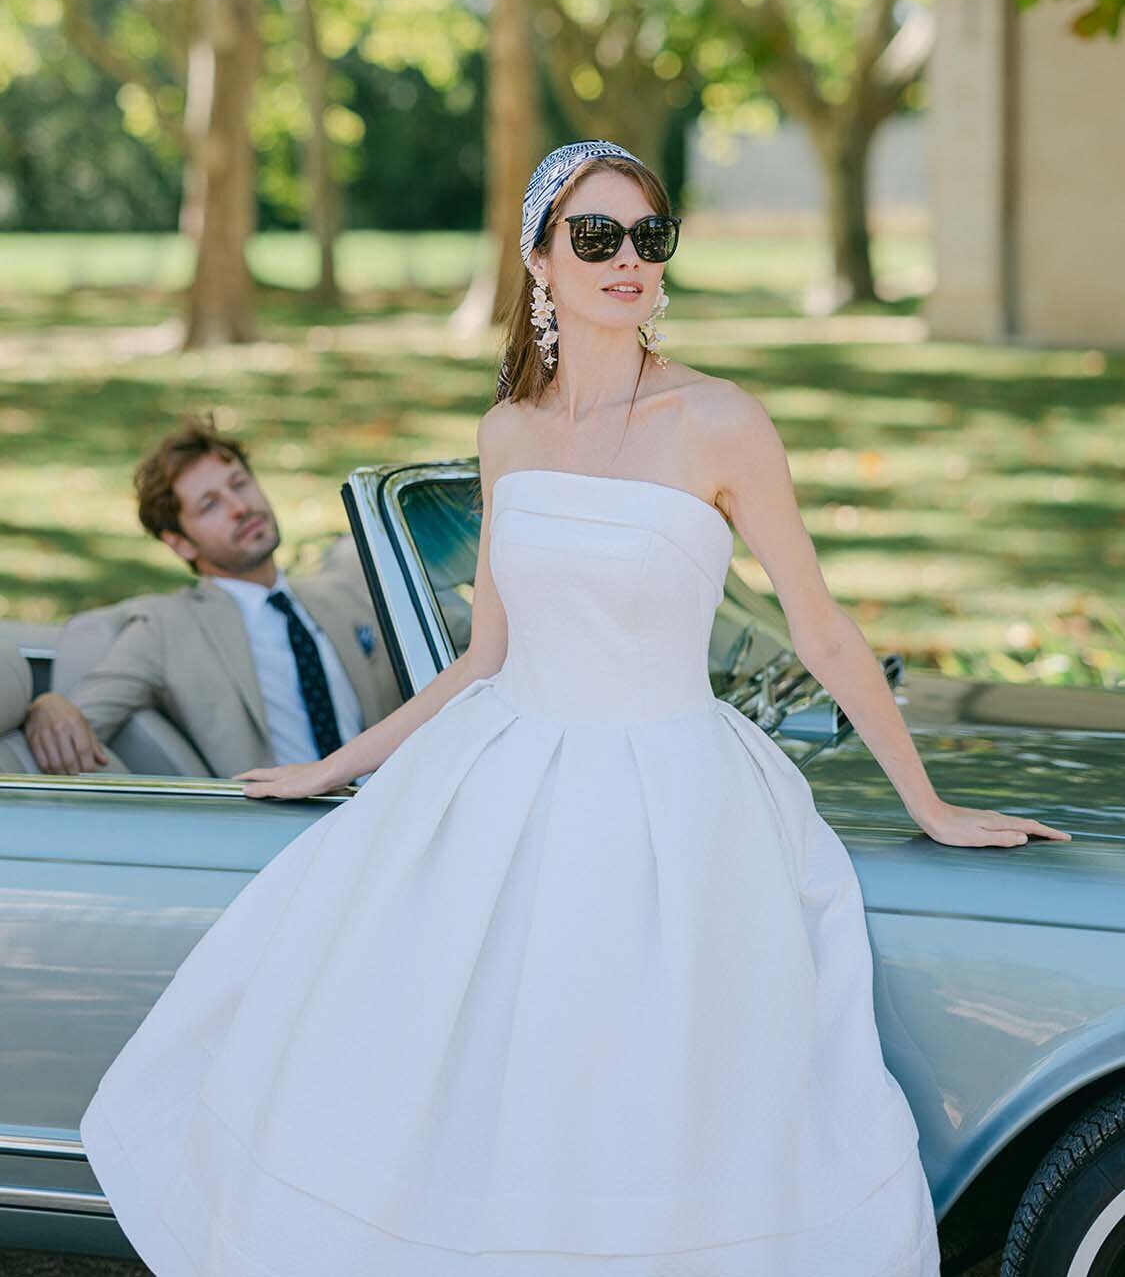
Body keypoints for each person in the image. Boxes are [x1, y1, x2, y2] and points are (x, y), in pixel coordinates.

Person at [78, 140, 1071, 1276]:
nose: (627, 259)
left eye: (650, 237)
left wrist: (931, 805)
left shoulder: (721, 422)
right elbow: (483, 658)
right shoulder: (512, 433)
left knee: (651, 1107)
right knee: (462, 1089)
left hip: (677, 797)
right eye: (594, 236)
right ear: (540, 264)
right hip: (508, 784)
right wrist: (331, 767)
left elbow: (823, 632)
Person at [24, 416, 399, 783]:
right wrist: (47, 706)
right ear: (180, 542)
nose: (240, 507)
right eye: (210, 505)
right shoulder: (167, 628)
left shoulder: (341, 596)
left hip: (394, 801)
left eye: (240, 483)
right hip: (285, 828)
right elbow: (84, 716)